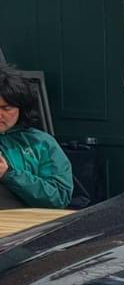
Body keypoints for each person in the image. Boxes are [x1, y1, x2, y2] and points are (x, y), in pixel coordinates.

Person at [0, 67, 73, 209]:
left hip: (29, 226)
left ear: (21, 108)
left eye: (6, 108)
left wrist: (8, 174)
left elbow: (59, 198)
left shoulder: (41, 143)